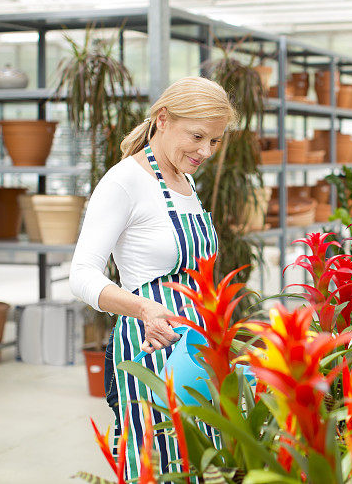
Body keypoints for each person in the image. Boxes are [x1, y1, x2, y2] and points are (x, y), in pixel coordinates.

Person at [70, 76, 234, 479]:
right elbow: (81, 274)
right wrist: (143, 307)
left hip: (194, 350)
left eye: (213, 141)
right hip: (148, 350)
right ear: (163, 118)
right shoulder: (124, 181)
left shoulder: (185, 180)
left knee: (203, 465)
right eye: (198, 136)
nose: (205, 151)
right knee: (160, 467)